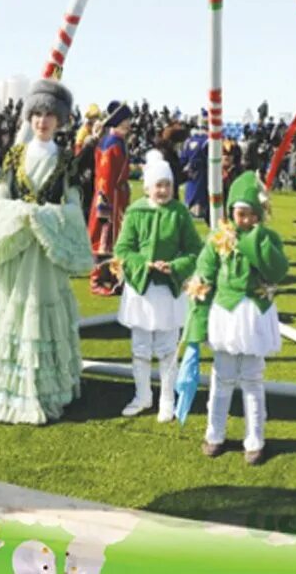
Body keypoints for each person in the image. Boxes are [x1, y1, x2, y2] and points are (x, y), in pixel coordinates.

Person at [0, 80, 94, 424]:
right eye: (37, 114)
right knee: (9, 310)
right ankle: (3, 387)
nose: (42, 121)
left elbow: (75, 203)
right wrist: (16, 215)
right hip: (18, 246)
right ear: (29, 117)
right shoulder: (16, 155)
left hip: (44, 253)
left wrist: (46, 218)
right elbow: (0, 195)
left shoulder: (65, 160)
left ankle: (47, 389)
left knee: (41, 310)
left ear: (60, 121)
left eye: (49, 115)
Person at [186, 171, 289, 465]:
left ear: (257, 214)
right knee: (222, 379)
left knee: (253, 379)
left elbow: (276, 271)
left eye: (248, 214)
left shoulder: (267, 237)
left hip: (254, 315)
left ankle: (255, 439)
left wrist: (254, 239)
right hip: (225, 315)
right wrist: (197, 316)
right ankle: (214, 433)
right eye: (237, 214)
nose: (241, 220)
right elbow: (204, 273)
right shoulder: (218, 238)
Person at [112, 151, 202, 420]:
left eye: (167, 185)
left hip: (168, 290)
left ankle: (166, 398)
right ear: (148, 187)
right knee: (140, 347)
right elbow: (123, 248)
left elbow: (195, 250)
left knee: (167, 348)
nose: (162, 190)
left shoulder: (180, 214)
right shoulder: (135, 212)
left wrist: (174, 266)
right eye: (158, 185)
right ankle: (142, 396)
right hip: (141, 288)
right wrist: (143, 263)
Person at [89, 102, 133, 296]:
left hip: (118, 197)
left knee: (115, 239)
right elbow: (106, 176)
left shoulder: (117, 141)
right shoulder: (111, 144)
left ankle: (113, 276)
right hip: (108, 198)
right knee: (104, 238)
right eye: (126, 121)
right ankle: (96, 279)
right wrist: (104, 201)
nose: (130, 124)